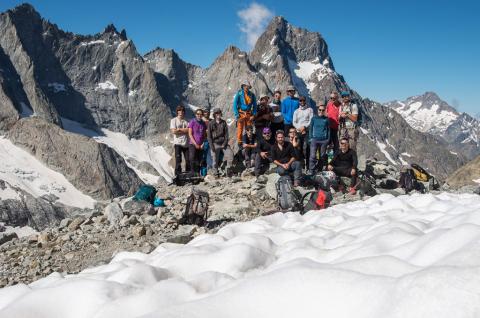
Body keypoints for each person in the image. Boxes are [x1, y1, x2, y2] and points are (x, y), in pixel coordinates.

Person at [207, 108, 233, 176]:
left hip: (223, 143)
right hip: (215, 143)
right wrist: (212, 146)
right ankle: (215, 171)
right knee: (214, 158)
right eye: (216, 113)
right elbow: (209, 136)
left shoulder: (224, 122)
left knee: (230, 154)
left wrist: (224, 144)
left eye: (219, 113)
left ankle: (228, 169)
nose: (218, 114)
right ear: (214, 114)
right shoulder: (211, 123)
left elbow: (226, 135)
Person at [233, 80, 257, 145]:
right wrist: (237, 115)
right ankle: (240, 143)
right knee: (240, 129)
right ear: (243, 86)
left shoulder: (252, 95)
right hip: (241, 114)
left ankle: (249, 142)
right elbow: (234, 104)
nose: (247, 87)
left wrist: (254, 115)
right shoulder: (239, 94)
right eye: (245, 86)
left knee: (249, 129)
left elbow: (255, 105)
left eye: (248, 86)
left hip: (249, 114)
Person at [308, 104, 330, 174]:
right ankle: (311, 170)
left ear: (325, 111)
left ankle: (319, 170)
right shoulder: (313, 118)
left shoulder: (326, 119)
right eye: (320, 110)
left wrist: (328, 140)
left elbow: (329, 130)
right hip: (314, 140)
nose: (321, 111)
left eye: (323, 110)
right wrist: (310, 138)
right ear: (317, 110)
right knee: (312, 156)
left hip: (324, 140)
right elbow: (310, 129)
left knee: (322, 156)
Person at [292, 96, 313, 169]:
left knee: (308, 147)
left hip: (307, 131)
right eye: (300, 100)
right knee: (299, 148)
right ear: (299, 101)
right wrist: (300, 128)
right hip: (298, 132)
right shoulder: (296, 111)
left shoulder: (310, 110)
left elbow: (311, 120)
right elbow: (294, 122)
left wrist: (304, 127)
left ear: (305, 101)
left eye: (303, 100)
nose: (302, 102)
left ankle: (308, 165)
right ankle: (301, 165)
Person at [170, 105, 190, 176]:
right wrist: (184, 130)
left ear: (184, 112)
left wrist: (179, 129)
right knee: (178, 160)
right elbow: (174, 131)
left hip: (186, 143)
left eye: (182, 110)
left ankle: (188, 174)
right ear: (177, 112)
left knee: (188, 160)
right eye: (179, 110)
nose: (181, 112)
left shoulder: (187, 121)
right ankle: (178, 175)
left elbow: (189, 130)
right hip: (177, 143)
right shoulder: (173, 120)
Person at [188, 109, 207, 174]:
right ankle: (192, 173)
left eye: (200, 114)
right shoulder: (192, 121)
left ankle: (198, 174)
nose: (199, 115)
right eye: (198, 114)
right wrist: (195, 144)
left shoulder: (203, 123)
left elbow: (204, 135)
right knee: (192, 158)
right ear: (196, 114)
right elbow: (190, 134)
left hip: (200, 145)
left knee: (199, 160)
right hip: (192, 144)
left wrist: (202, 144)